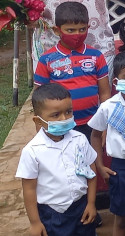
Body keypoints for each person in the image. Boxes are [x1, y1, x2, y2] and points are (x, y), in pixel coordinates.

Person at [17, 83, 98, 236]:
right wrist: (35, 223)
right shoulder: (32, 151)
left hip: (81, 207)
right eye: (56, 115)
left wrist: (91, 203)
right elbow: (29, 189)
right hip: (53, 214)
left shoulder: (80, 139)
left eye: (68, 112)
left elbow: (91, 173)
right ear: (38, 121)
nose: (64, 118)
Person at [88, 51, 125, 236]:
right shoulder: (108, 106)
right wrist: (99, 165)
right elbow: (96, 136)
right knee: (122, 219)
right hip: (121, 169)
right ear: (116, 82)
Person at [34, 1, 110, 139]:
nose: (77, 34)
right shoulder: (46, 60)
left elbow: (104, 94)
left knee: (91, 158)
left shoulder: (96, 56)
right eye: (70, 30)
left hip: (92, 123)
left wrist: (105, 124)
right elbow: (39, 100)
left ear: (88, 27)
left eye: (82, 29)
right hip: (60, 125)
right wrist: (41, 135)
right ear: (57, 30)